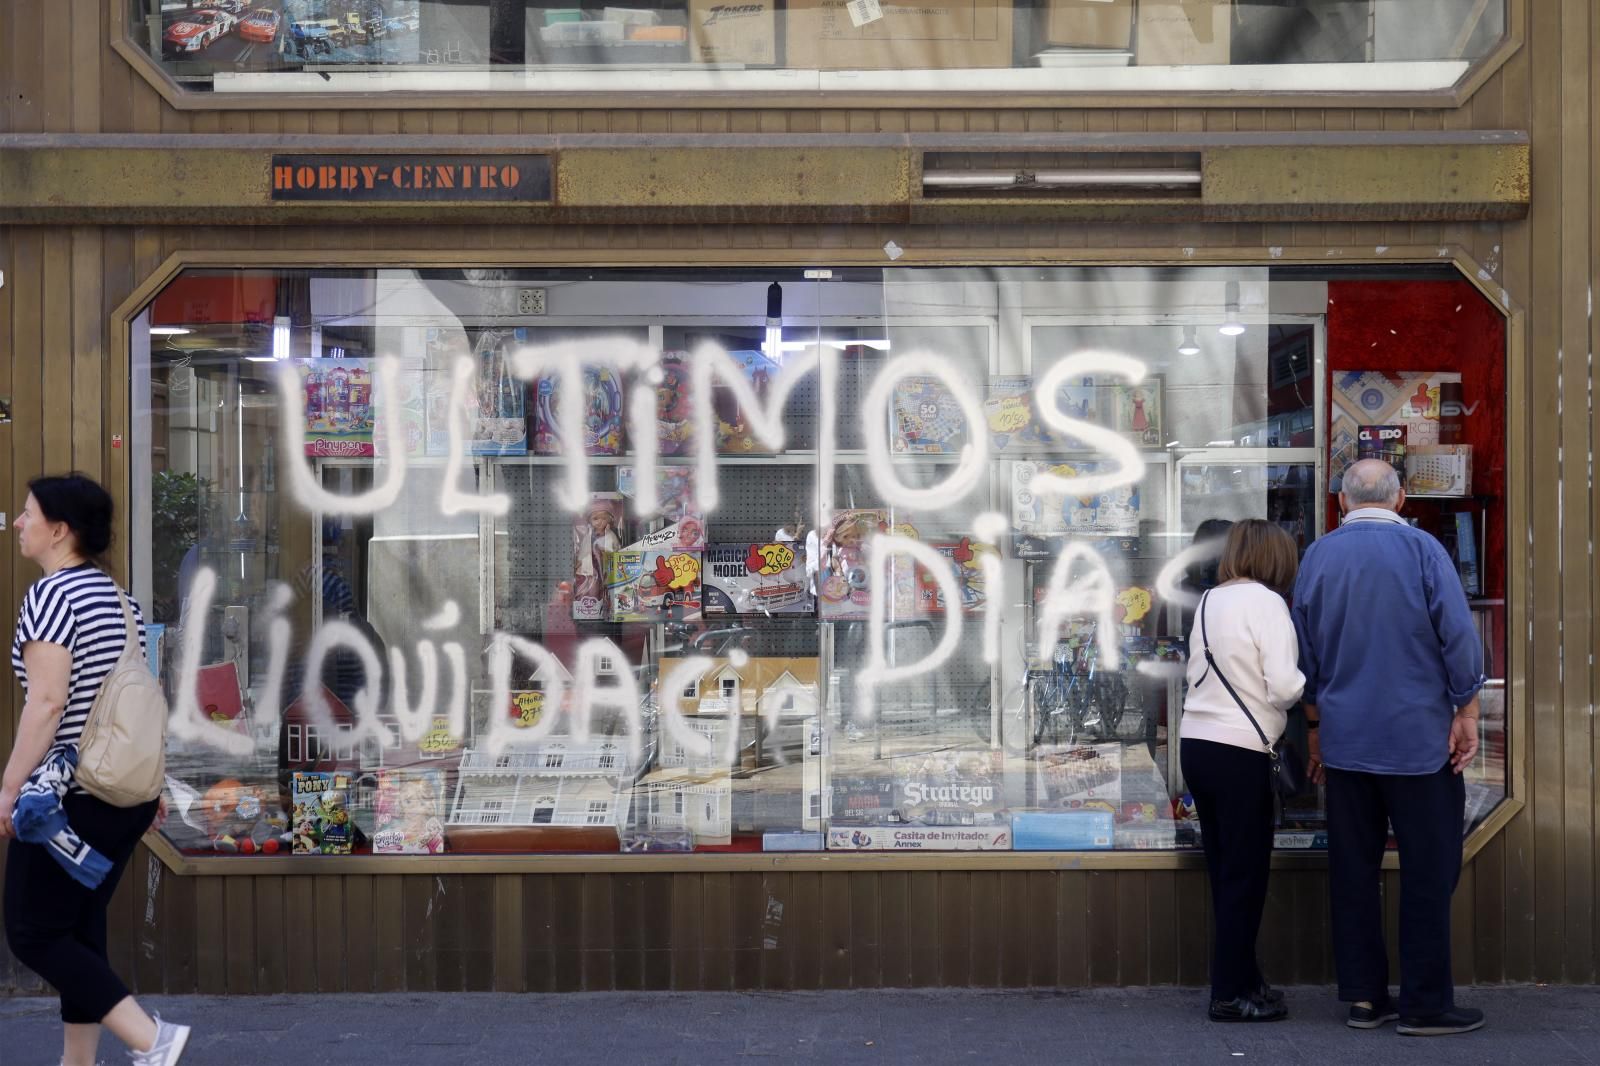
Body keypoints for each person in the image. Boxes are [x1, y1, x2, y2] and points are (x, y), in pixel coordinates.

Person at [1, 474, 192, 1065]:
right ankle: (78, 1062)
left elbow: (48, 703)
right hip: (122, 793)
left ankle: (151, 1040)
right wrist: (148, 780)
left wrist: (9, 788)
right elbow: (133, 698)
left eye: (27, 514)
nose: (18, 523)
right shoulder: (121, 600)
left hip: (68, 798)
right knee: (78, 929)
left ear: (59, 530)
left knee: (34, 931)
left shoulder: (52, 598)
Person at [1291, 459, 1484, 1036]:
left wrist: (1319, 728)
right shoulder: (1424, 551)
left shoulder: (1317, 557)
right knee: (1429, 868)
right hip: (1419, 742)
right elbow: (1459, 635)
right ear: (1401, 500)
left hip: (1348, 742)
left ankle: (1364, 997)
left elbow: (1304, 656)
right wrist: (1467, 708)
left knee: (1353, 870)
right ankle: (1425, 1002)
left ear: (1343, 504)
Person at [1181, 519, 1305, 1022]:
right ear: (1277, 557)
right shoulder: (1268, 603)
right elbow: (1283, 686)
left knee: (1224, 870)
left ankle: (1247, 980)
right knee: (1246, 877)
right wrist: (1303, 683)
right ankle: (1229, 995)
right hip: (1242, 750)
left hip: (1198, 744)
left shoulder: (1211, 600)